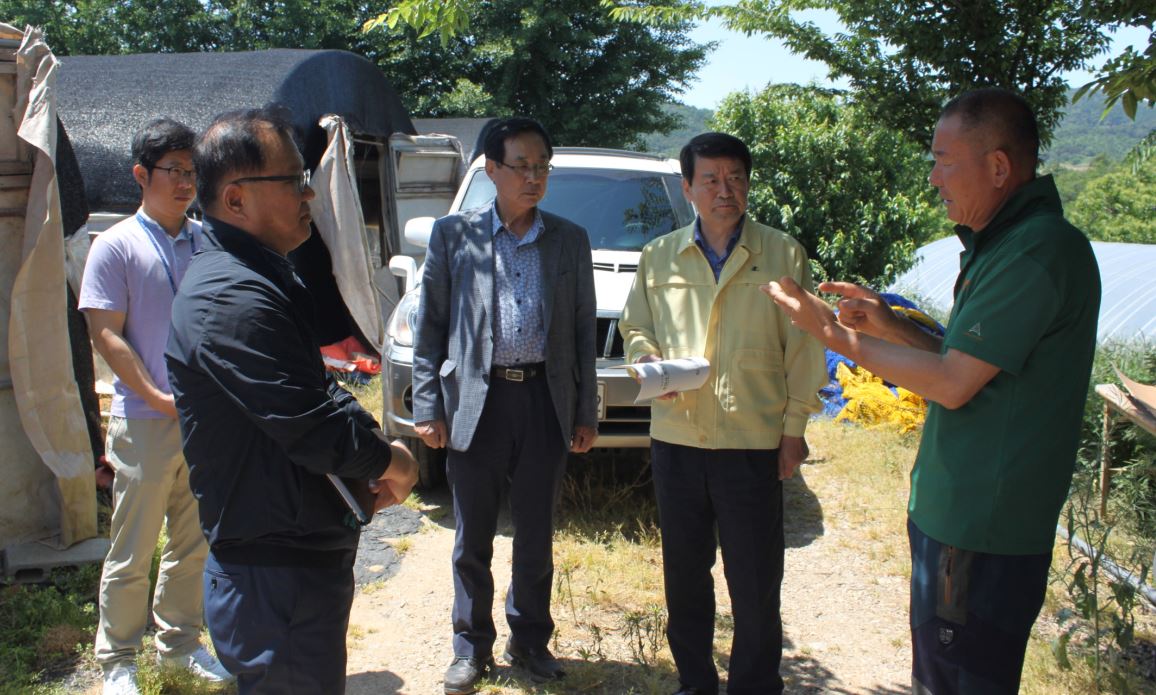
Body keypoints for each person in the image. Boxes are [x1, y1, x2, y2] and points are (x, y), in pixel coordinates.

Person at [765, 88, 1101, 694]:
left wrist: (834, 335)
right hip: (959, 515)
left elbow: (951, 383)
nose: (932, 177)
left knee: (958, 679)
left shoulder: (1037, 251)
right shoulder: (1004, 243)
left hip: (983, 527)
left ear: (998, 167)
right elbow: (968, 362)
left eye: (945, 160)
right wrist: (889, 325)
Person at [165, 107, 418, 693]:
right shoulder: (229, 297)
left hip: (293, 561)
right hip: (272, 574)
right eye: (292, 180)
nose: (309, 192)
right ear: (235, 201)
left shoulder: (260, 277)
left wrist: (372, 445)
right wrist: (391, 461)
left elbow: (321, 386)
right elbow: (311, 424)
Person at [619, 132, 826, 695]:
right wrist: (646, 358)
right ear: (687, 187)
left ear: (748, 184)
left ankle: (755, 685)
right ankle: (695, 682)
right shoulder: (660, 256)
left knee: (755, 578)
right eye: (710, 179)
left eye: (734, 178)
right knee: (684, 575)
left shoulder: (783, 254)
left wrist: (794, 430)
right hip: (678, 438)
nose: (724, 190)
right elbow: (634, 325)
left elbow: (805, 348)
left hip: (752, 440)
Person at [411, 116, 598, 695]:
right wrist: (427, 405)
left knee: (536, 531)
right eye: (522, 165)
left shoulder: (568, 239)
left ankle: (531, 642)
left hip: (544, 400)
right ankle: (470, 648)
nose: (535, 177)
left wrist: (585, 411)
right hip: (477, 401)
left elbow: (582, 333)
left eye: (543, 166)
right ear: (491, 169)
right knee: (472, 536)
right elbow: (431, 326)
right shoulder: (454, 235)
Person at [79, 117, 232, 695]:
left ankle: (182, 645)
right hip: (144, 421)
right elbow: (106, 334)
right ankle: (117, 659)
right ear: (142, 175)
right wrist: (155, 396)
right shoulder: (116, 244)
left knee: (194, 543)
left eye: (193, 172)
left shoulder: (205, 239)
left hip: (203, 422)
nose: (186, 183)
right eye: (174, 171)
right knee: (133, 546)